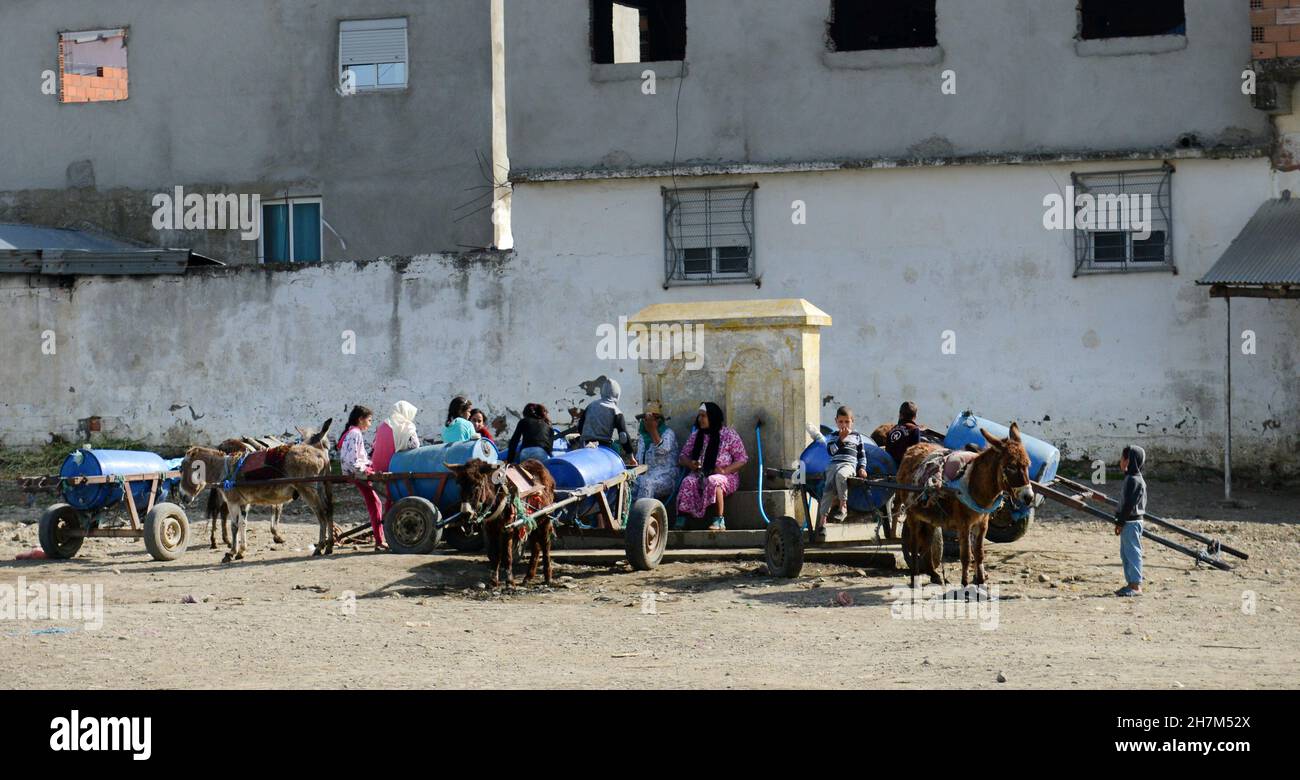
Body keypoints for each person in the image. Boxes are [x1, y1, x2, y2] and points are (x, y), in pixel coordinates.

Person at [676, 402, 747, 531]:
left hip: (726, 476)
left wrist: (725, 470)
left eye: (704, 416)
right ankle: (682, 519)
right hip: (700, 474)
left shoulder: (729, 435)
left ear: (712, 417)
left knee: (714, 480)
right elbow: (682, 457)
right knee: (688, 481)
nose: (700, 419)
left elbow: (742, 459)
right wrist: (690, 464)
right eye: (699, 416)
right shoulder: (697, 435)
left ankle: (719, 520)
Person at [806, 406, 871, 540]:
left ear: (852, 421)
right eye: (841, 422)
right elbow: (831, 452)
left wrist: (862, 468)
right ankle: (822, 522)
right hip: (833, 465)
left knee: (841, 475)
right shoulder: (833, 436)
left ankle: (843, 506)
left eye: (847, 422)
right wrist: (841, 440)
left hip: (848, 465)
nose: (844, 425)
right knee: (828, 488)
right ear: (836, 421)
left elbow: (861, 455)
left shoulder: (857, 436)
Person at [337, 405, 387, 551]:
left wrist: (370, 466)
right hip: (357, 474)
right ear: (360, 419)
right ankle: (379, 540)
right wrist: (366, 471)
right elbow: (352, 461)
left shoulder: (351, 432)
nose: (370, 424)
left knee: (376, 502)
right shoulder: (355, 434)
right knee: (376, 503)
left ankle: (380, 539)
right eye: (369, 420)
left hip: (357, 473)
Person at [574, 378, 636, 464]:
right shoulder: (616, 411)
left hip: (584, 446)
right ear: (617, 394)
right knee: (616, 448)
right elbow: (623, 436)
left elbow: (580, 427)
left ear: (602, 392)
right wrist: (631, 457)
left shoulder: (591, 406)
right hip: (603, 448)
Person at [1113, 445, 1147, 597]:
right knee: (1126, 553)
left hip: (1131, 522)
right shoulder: (1131, 478)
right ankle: (1130, 583)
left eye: (1122, 458)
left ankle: (1135, 585)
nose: (1120, 461)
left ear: (1128, 461)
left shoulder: (1134, 480)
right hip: (1129, 522)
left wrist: (1120, 522)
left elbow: (1129, 505)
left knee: (1132, 552)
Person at [634, 401, 678, 502]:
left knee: (647, 484)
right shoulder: (642, 436)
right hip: (646, 475)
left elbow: (662, 450)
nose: (647, 422)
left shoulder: (667, 433)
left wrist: (653, 430)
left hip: (665, 476)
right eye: (645, 419)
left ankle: (642, 515)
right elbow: (639, 458)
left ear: (658, 420)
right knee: (627, 484)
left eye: (651, 419)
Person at [885, 401, 923, 468]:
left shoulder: (892, 430)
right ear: (915, 416)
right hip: (904, 468)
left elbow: (887, 451)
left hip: (889, 466)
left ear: (900, 415)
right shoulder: (914, 430)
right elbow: (916, 453)